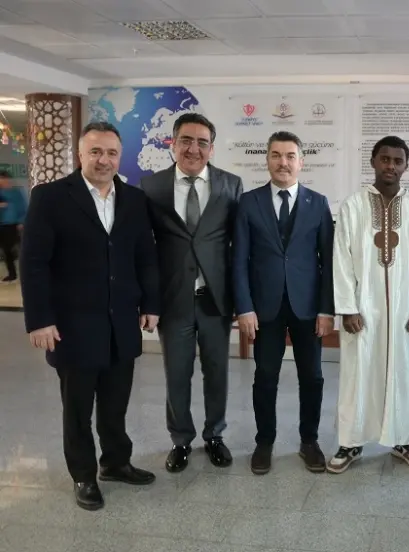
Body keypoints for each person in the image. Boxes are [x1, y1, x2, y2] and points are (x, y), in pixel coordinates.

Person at [20, 121, 160, 510]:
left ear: (120, 157)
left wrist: (151, 304)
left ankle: (115, 463)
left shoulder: (134, 199)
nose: (103, 160)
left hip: (121, 323)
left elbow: (145, 256)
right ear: (80, 154)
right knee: (78, 410)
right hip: (72, 326)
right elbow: (33, 263)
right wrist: (39, 319)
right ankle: (83, 475)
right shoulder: (50, 197)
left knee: (115, 404)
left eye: (111, 153)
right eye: (95, 151)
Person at [327, 136, 409, 474]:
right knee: (357, 375)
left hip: (405, 311)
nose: (391, 166)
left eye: (398, 161)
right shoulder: (353, 206)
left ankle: (404, 439)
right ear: (373, 161)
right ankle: (350, 441)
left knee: (405, 375)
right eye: (385, 159)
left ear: (406, 166)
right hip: (362, 308)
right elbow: (341, 260)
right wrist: (347, 307)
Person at [140, 113, 243, 473]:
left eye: (202, 142)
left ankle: (214, 435)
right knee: (177, 374)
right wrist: (148, 301)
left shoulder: (231, 185)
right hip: (174, 300)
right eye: (186, 140)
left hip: (215, 299)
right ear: (173, 143)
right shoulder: (151, 187)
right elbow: (144, 250)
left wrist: (240, 299)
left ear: (211, 148)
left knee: (217, 372)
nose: (193, 149)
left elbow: (239, 248)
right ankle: (180, 439)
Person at [234, 131, 334, 474]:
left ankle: (309, 441)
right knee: (265, 375)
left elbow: (328, 261)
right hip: (265, 307)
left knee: (313, 377)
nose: (283, 162)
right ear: (267, 160)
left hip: (308, 307)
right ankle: (264, 443)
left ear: (301, 162)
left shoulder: (318, 203)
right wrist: (244, 307)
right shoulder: (249, 202)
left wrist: (326, 309)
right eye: (276, 155)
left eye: (290, 156)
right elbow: (239, 260)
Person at [0, 169, 26, 282]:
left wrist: (21, 221)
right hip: (2, 224)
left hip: (12, 224)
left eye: (3, 179)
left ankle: (13, 274)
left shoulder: (16, 192)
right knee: (6, 250)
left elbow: (23, 207)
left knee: (10, 249)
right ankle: (11, 273)